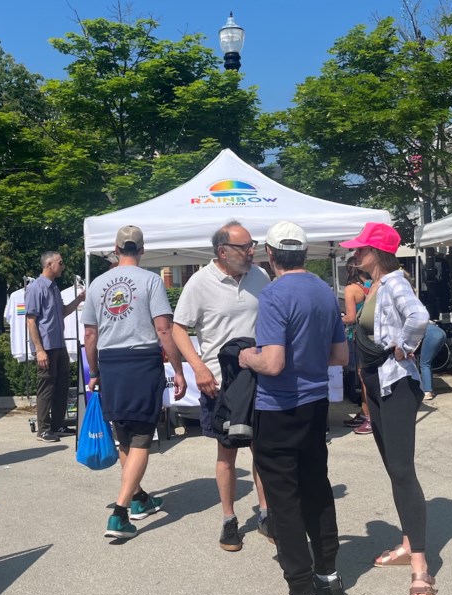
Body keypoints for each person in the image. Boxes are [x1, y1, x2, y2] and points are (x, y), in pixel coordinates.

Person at [238, 221, 348, 595]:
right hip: (315, 403)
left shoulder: (273, 294)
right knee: (316, 487)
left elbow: (273, 362)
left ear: (270, 254)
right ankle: (328, 576)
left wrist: (247, 357)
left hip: (279, 406)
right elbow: (339, 355)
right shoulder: (323, 290)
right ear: (304, 253)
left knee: (283, 501)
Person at [339, 222, 436, 595]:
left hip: (397, 386)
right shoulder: (375, 285)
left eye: (360, 250)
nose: (354, 255)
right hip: (379, 387)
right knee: (394, 468)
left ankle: (420, 566)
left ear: (377, 253)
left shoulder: (394, 282)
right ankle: (409, 544)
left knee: (402, 471)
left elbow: (419, 317)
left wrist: (402, 348)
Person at [171, 220, 272, 552]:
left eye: (251, 244)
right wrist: (198, 368)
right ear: (223, 251)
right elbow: (178, 329)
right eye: (244, 247)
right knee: (226, 452)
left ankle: (266, 513)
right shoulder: (200, 282)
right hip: (219, 383)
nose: (251, 250)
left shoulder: (261, 276)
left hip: (259, 379)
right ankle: (229, 520)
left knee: (262, 448)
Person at [83, 225, 187, 539]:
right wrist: (179, 370)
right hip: (141, 360)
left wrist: (95, 370)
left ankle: (140, 499)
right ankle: (120, 512)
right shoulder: (151, 281)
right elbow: (164, 330)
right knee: (142, 435)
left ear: (115, 249)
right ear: (141, 250)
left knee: (125, 435)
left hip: (111, 363)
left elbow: (90, 335)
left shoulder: (97, 284)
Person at [25, 251, 87, 443]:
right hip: (47, 347)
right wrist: (39, 349)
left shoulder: (54, 288)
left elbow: (61, 313)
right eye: (60, 263)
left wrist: (79, 299)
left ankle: (57, 425)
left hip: (59, 345)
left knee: (61, 386)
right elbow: (31, 320)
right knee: (46, 387)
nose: (63, 266)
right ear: (49, 265)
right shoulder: (36, 288)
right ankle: (43, 429)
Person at [341, 263, 373, 433]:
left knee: (363, 377)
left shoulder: (350, 289)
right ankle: (364, 412)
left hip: (358, 336)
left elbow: (351, 318)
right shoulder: (370, 285)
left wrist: (337, 319)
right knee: (365, 376)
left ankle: (369, 417)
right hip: (371, 335)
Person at [418, 321, 447, 402]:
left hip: (432, 335)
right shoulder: (421, 318)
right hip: (441, 332)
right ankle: (429, 389)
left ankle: (427, 391)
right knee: (428, 362)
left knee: (424, 363)